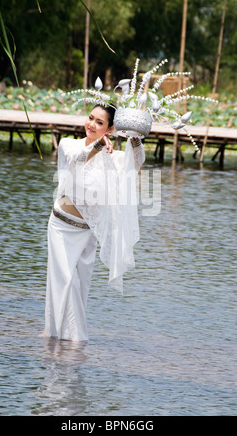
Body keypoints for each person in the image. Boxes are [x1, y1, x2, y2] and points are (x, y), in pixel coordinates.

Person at [44, 104, 145, 342]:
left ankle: (59, 336)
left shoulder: (115, 158)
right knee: (63, 281)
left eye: (100, 123)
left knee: (80, 285)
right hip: (61, 225)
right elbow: (79, 161)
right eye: (91, 118)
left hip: (88, 231)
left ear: (110, 129)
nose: (92, 124)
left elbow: (137, 163)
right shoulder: (70, 144)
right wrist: (98, 145)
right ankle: (70, 339)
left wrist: (135, 139)